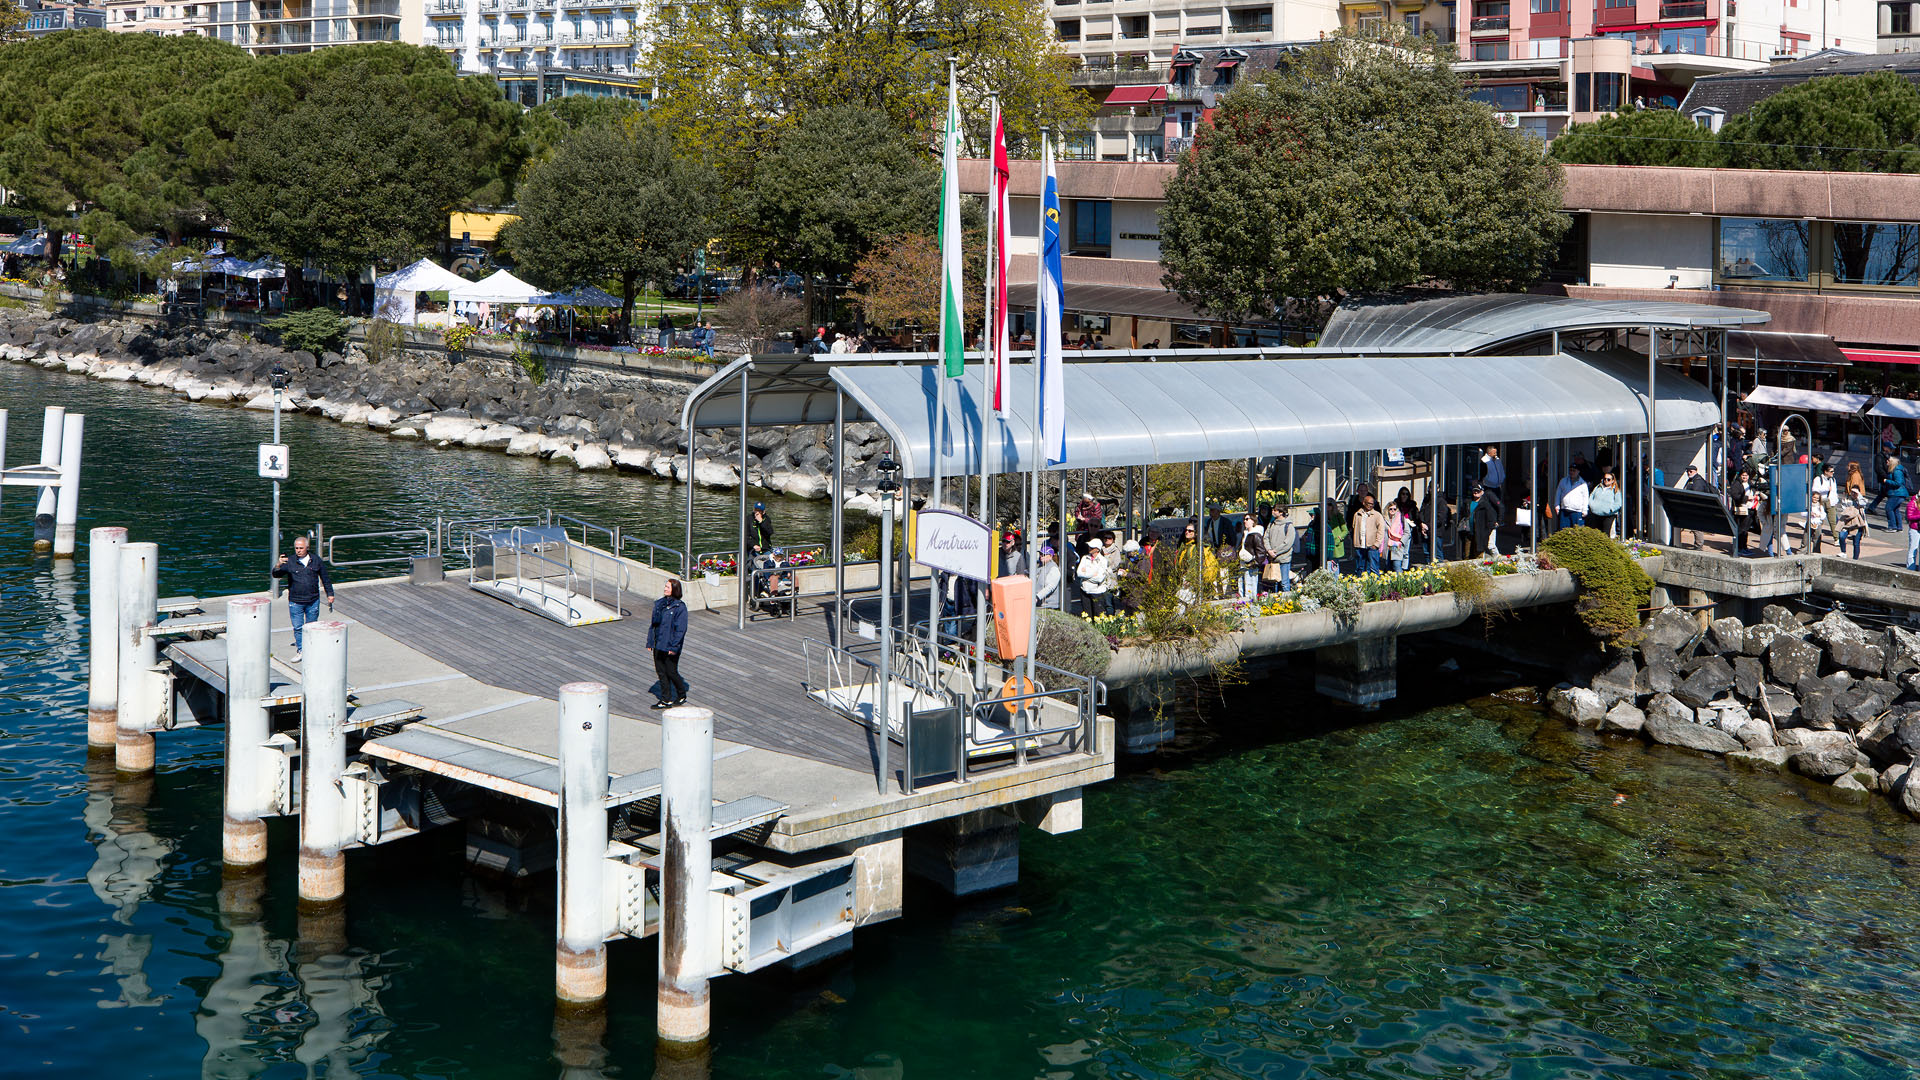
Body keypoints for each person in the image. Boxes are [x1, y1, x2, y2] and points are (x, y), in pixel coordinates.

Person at [271, 535, 334, 661]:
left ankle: (311, 648)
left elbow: (325, 578)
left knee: (311, 627)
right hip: (296, 601)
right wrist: (278, 564)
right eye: (296, 548)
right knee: (298, 628)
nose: (298, 550)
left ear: (307, 548)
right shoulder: (290, 561)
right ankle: (301, 650)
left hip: (313, 600)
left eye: (301, 548)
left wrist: (330, 594)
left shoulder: (316, 560)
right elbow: (276, 575)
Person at [647, 579, 689, 708]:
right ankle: (666, 699)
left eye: (668, 587)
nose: (665, 589)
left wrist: (674, 647)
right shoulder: (660, 604)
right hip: (659, 643)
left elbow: (680, 630)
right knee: (661, 671)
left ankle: (681, 694)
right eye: (665, 586)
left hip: (670, 645)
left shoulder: (680, 607)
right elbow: (654, 625)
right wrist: (650, 642)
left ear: (675, 590)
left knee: (671, 671)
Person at [1675, 464, 1715, 549]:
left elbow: (1696, 495)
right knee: (1693, 525)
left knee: (1696, 526)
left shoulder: (1698, 481)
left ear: (1695, 471)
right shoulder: (1692, 480)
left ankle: (1698, 545)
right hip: (1693, 507)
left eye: (1690, 471)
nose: (1688, 473)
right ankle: (1697, 544)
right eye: (1687, 471)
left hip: (1697, 508)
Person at [1077, 537, 1114, 615]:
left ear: (1097, 549)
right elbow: (1079, 573)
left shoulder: (1103, 560)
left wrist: (1085, 574)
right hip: (1084, 590)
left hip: (1097, 592)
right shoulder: (1084, 558)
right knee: (1087, 616)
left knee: (1098, 615)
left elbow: (1099, 578)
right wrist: (1092, 573)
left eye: (1092, 547)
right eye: (1089, 546)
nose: (1089, 548)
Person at [1263, 504, 1296, 592]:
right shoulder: (1271, 524)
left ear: (1281, 512)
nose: (1273, 512)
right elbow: (1266, 537)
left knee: (1284, 583)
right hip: (1272, 558)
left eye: (1275, 510)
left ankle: (1287, 599)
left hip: (1284, 558)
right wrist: (1269, 550)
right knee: (1273, 583)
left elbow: (1288, 543)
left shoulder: (1289, 525)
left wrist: (1275, 551)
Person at [1350, 494, 1385, 573]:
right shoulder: (1357, 514)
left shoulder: (1377, 515)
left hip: (1372, 546)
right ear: (1363, 503)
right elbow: (1354, 527)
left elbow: (1381, 531)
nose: (1370, 505)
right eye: (1368, 503)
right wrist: (1355, 543)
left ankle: (1374, 581)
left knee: (1373, 569)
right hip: (1360, 546)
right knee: (1359, 568)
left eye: (1372, 504)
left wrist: (1376, 544)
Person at [1808, 462, 1837, 554]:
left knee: (1833, 521)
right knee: (1819, 521)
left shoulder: (1833, 480)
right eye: (1831, 471)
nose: (1832, 473)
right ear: (1825, 471)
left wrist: (1835, 501)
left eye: (1833, 471)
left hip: (1830, 501)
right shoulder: (1818, 479)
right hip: (1821, 500)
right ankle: (1814, 536)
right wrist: (1826, 489)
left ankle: (1836, 538)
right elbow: (1814, 490)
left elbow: (1834, 491)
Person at [1237, 518, 1269, 597]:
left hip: (1251, 564)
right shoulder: (1245, 534)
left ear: (1253, 521)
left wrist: (1255, 563)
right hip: (1242, 564)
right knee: (1241, 585)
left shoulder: (1256, 535)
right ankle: (1242, 602)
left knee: (1250, 586)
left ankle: (1250, 602)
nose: (1244, 521)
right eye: (1244, 519)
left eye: (1247, 519)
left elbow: (1261, 552)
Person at [1586, 470, 1623, 538]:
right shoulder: (1598, 487)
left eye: (1608, 479)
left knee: (1606, 535)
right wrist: (1592, 505)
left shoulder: (1616, 490)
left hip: (1608, 516)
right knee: (1595, 535)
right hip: (1596, 514)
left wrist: (1610, 509)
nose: (1606, 480)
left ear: (1612, 481)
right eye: (1605, 479)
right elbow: (1591, 496)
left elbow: (1618, 503)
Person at [1553, 464, 1590, 531]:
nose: (1572, 472)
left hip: (1577, 511)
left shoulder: (1582, 483)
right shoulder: (1563, 481)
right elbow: (1558, 493)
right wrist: (1557, 505)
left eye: (1574, 470)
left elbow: (1585, 497)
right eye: (1570, 470)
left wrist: (1585, 509)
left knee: (1577, 531)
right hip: (1565, 510)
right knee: (1563, 531)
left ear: (1578, 471)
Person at [1883, 453, 1909, 533]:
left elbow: (1898, 483)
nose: (1887, 462)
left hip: (1897, 493)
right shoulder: (1894, 470)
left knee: (1889, 508)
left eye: (1888, 461)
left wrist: (1887, 481)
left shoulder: (1897, 471)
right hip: (1896, 493)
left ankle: (1892, 526)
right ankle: (1899, 527)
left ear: (1892, 463)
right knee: (1895, 509)